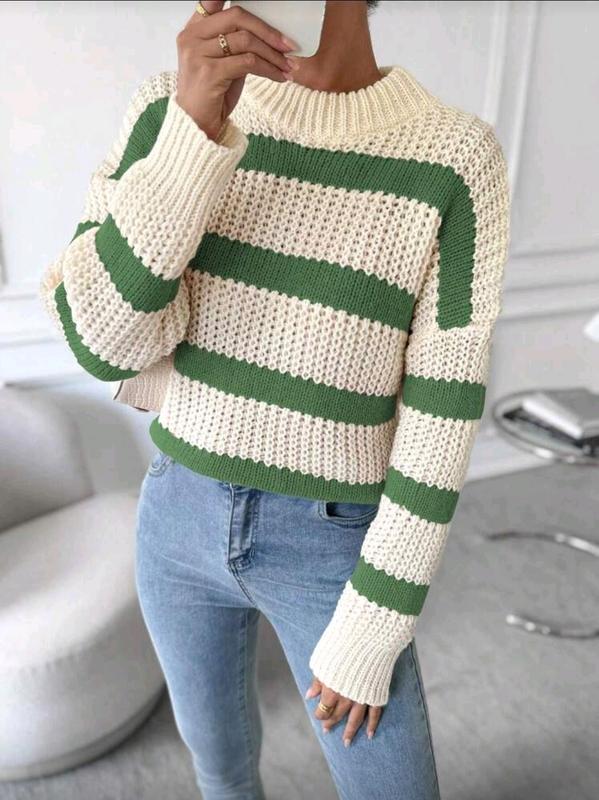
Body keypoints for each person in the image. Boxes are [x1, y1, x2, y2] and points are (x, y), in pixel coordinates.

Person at [39, 0, 511, 797]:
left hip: (333, 544)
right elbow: (105, 346)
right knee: (220, 770)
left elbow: (442, 411)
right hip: (177, 515)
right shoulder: (167, 109)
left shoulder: (453, 157)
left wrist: (378, 619)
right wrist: (192, 133)